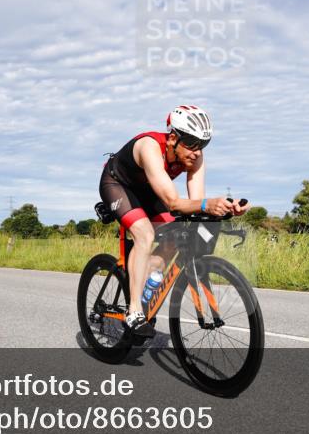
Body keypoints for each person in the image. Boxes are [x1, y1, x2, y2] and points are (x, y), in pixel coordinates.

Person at [99, 105, 248, 335]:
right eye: (191, 143)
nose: (197, 152)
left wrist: (225, 208)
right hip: (118, 185)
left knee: (178, 233)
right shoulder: (149, 147)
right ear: (172, 138)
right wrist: (207, 204)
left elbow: (196, 204)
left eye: (203, 144)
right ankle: (135, 311)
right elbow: (173, 202)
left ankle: (145, 282)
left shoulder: (194, 156)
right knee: (145, 235)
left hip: (148, 191)